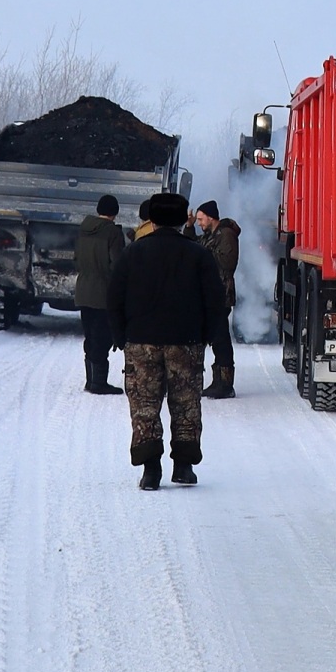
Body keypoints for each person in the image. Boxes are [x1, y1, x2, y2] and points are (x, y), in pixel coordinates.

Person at [107, 192, 228, 490]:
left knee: (145, 405)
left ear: (154, 219)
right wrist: (207, 336)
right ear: (179, 220)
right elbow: (215, 300)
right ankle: (183, 467)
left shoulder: (133, 253)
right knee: (185, 403)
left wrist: (119, 335)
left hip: (141, 342)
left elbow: (114, 297)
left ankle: (150, 470)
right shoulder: (199, 254)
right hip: (185, 342)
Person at [73, 193, 127, 394]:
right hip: (103, 293)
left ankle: (90, 380)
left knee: (89, 336)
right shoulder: (113, 232)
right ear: (115, 213)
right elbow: (117, 264)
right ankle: (99, 383)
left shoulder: (83, 229)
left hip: (83, 290)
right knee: (102, 337)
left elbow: (76, 259)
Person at [194, 200, 241, 399]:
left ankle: (225, 383)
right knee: (214, 336)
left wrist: (205, 255)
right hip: (210, 294)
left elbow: (228, 262)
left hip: (221, 294)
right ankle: (218, 381)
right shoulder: (211, 235)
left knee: (220, 337)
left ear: (211, 217)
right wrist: (188, 228)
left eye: (200, 219)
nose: (199, 223)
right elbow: (193, 246)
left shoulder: (226, 235)